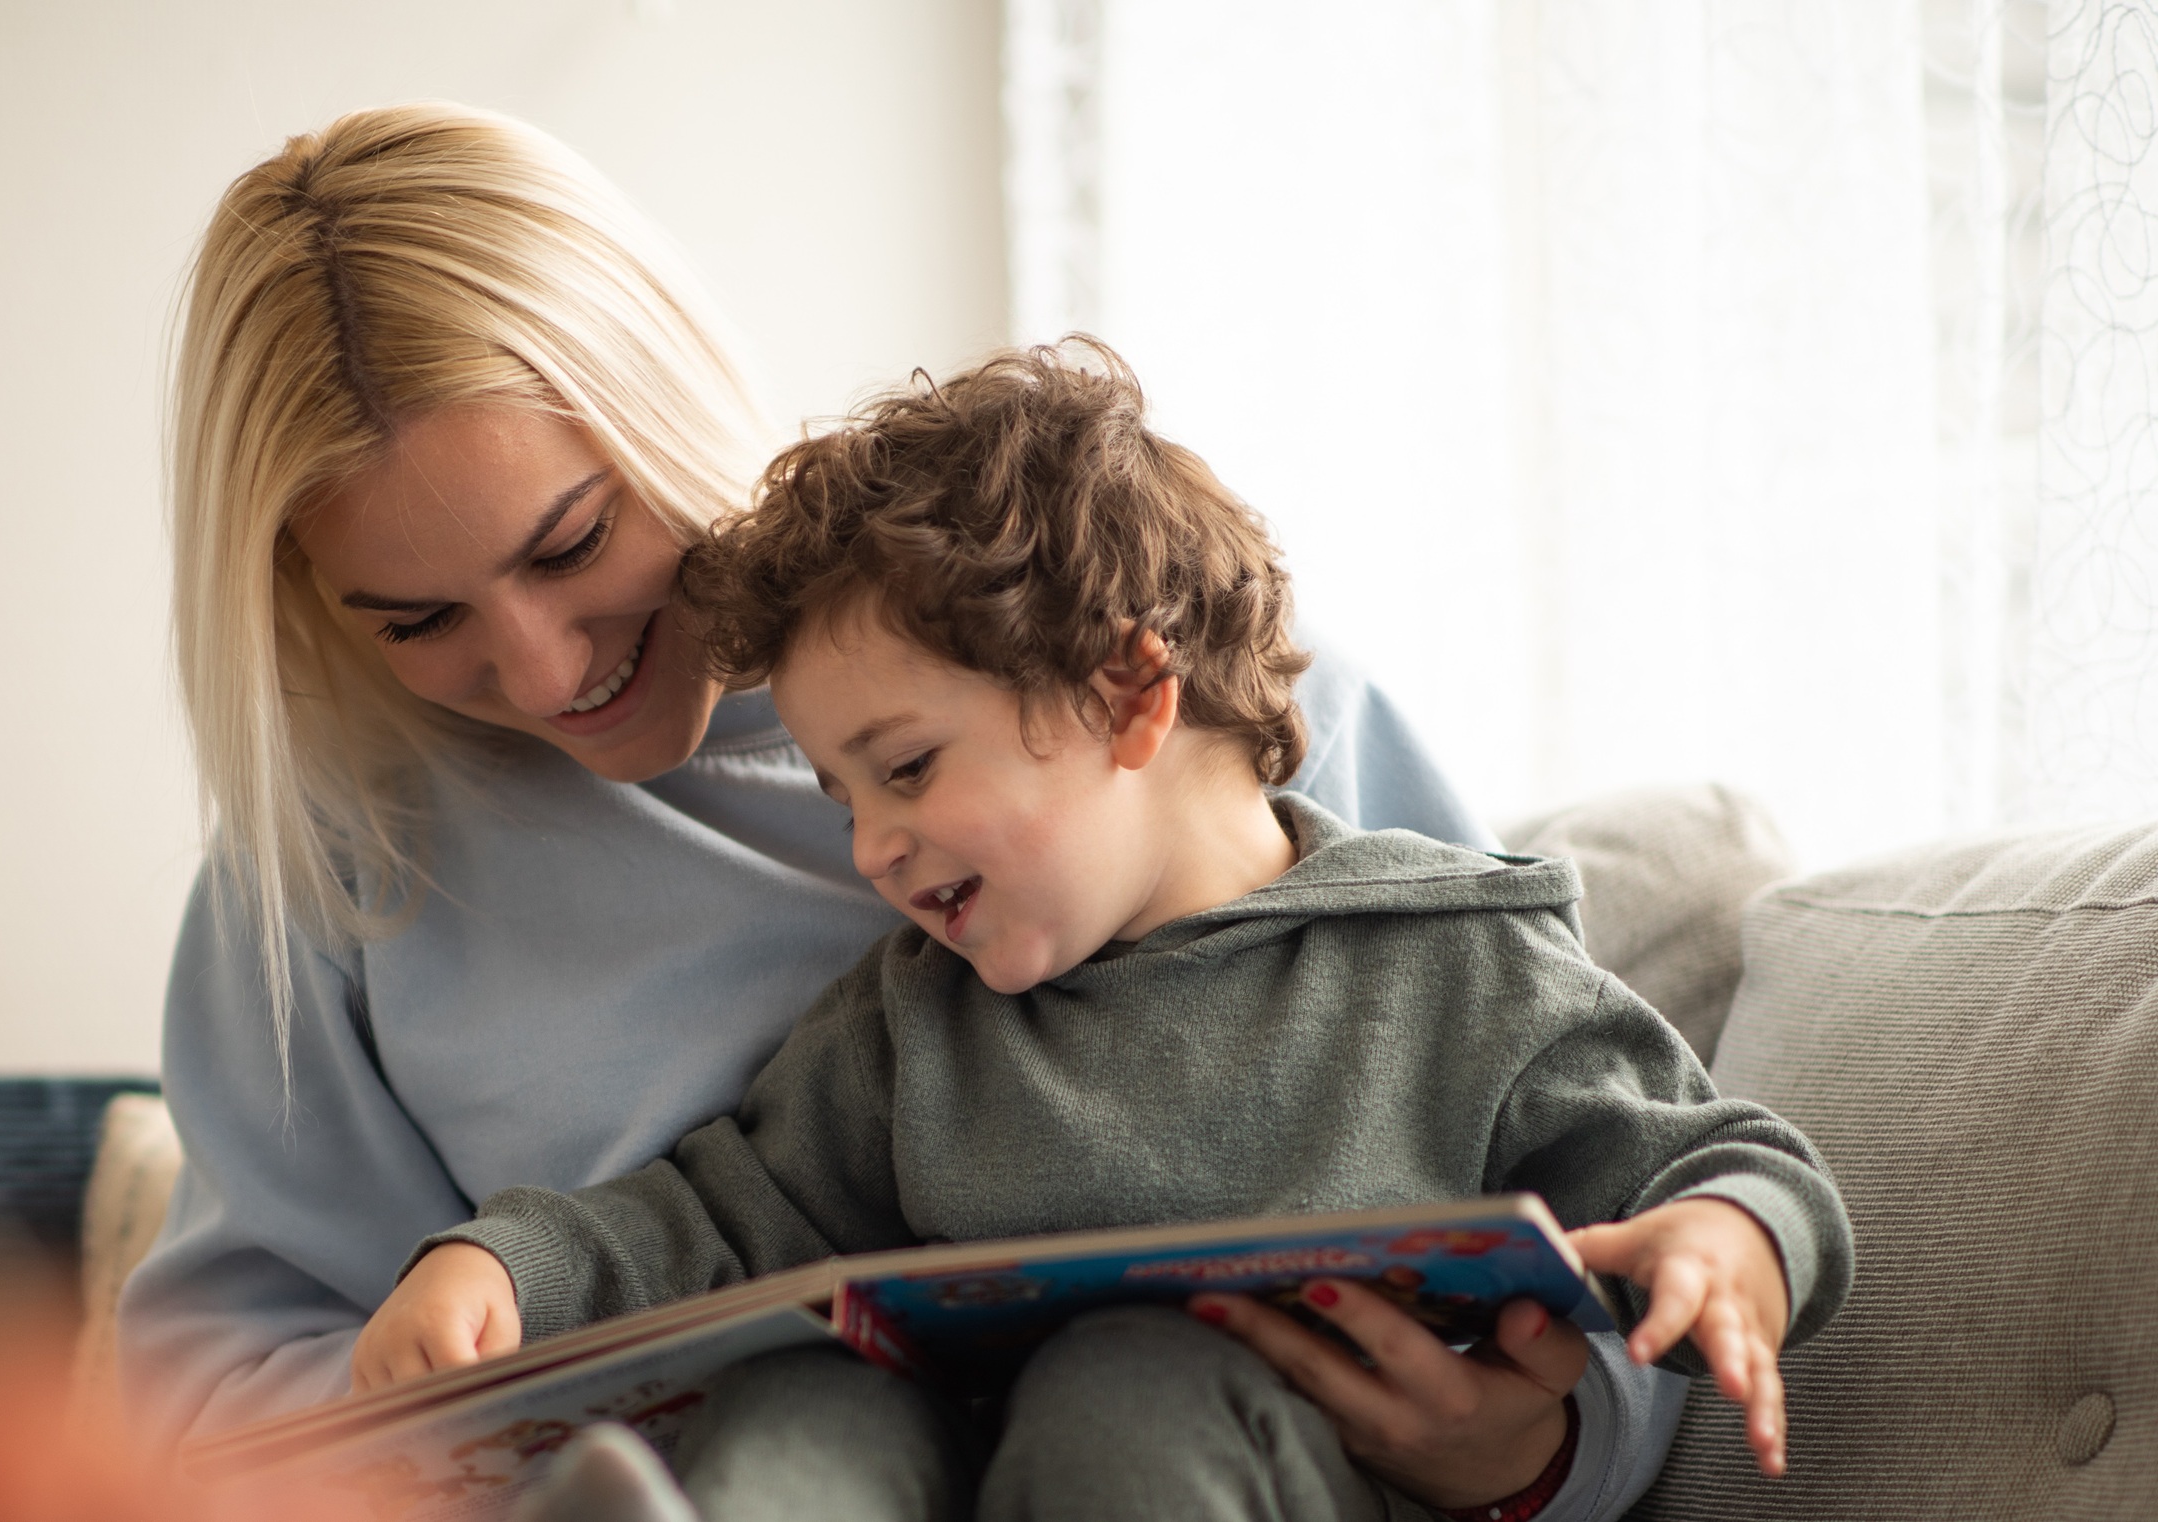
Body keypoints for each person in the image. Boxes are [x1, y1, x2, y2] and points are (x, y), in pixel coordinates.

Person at [118, 102, 1656, 1513]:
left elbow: (1607, 1209)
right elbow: (218, 1397)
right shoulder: (336, 869)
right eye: (413, 620)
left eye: (572, 542)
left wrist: (1539, 1450)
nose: (540, 667)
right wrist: (481, 1371)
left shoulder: (1226, 704)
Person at [351, 344, 1852, 1522]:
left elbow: (1733, 1161)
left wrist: (1726, 1244)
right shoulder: (916, 1021)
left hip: (1244, 1465)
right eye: (841, 791)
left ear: (1132, 695)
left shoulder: (1449, 957)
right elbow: (720, 1212)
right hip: (953, 1468)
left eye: (911, 767)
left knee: (1130, 1382)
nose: (870, 845)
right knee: (804, 1408)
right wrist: (503, 1268)